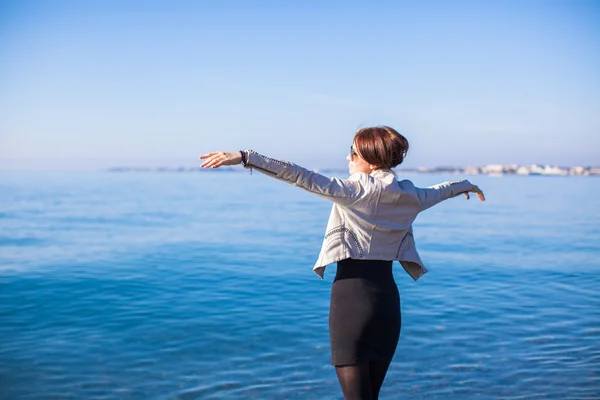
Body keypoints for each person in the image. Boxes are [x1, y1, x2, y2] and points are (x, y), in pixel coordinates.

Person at [199, 126, 485, 400]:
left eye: (354, 153)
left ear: (372, 161)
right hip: (387, 304)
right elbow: (443, 190)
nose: (348, 159)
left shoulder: (354, 191)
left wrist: (246, 157)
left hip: (352, 302)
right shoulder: (412, 195)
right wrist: (467, 185)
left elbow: (300, 176)